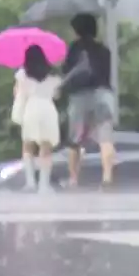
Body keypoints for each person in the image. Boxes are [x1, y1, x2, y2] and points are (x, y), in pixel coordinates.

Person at [59, 13, 116, 188]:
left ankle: (73, 179)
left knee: (75, 141)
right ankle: (107, 178)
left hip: (80, 96)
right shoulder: (105, 50)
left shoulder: (74, 49)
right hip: (103, 94)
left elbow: (66, 71)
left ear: (77, 30)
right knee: (105, 138)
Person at [13, 44, 63, 193]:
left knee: (28, 146)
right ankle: (44, 185)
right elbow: (57, 95)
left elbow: (17, 93)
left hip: (31, 107)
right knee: (46, 147)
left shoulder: (22, 74)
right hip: (48, 109)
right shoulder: (52, 75)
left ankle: (30, 183)